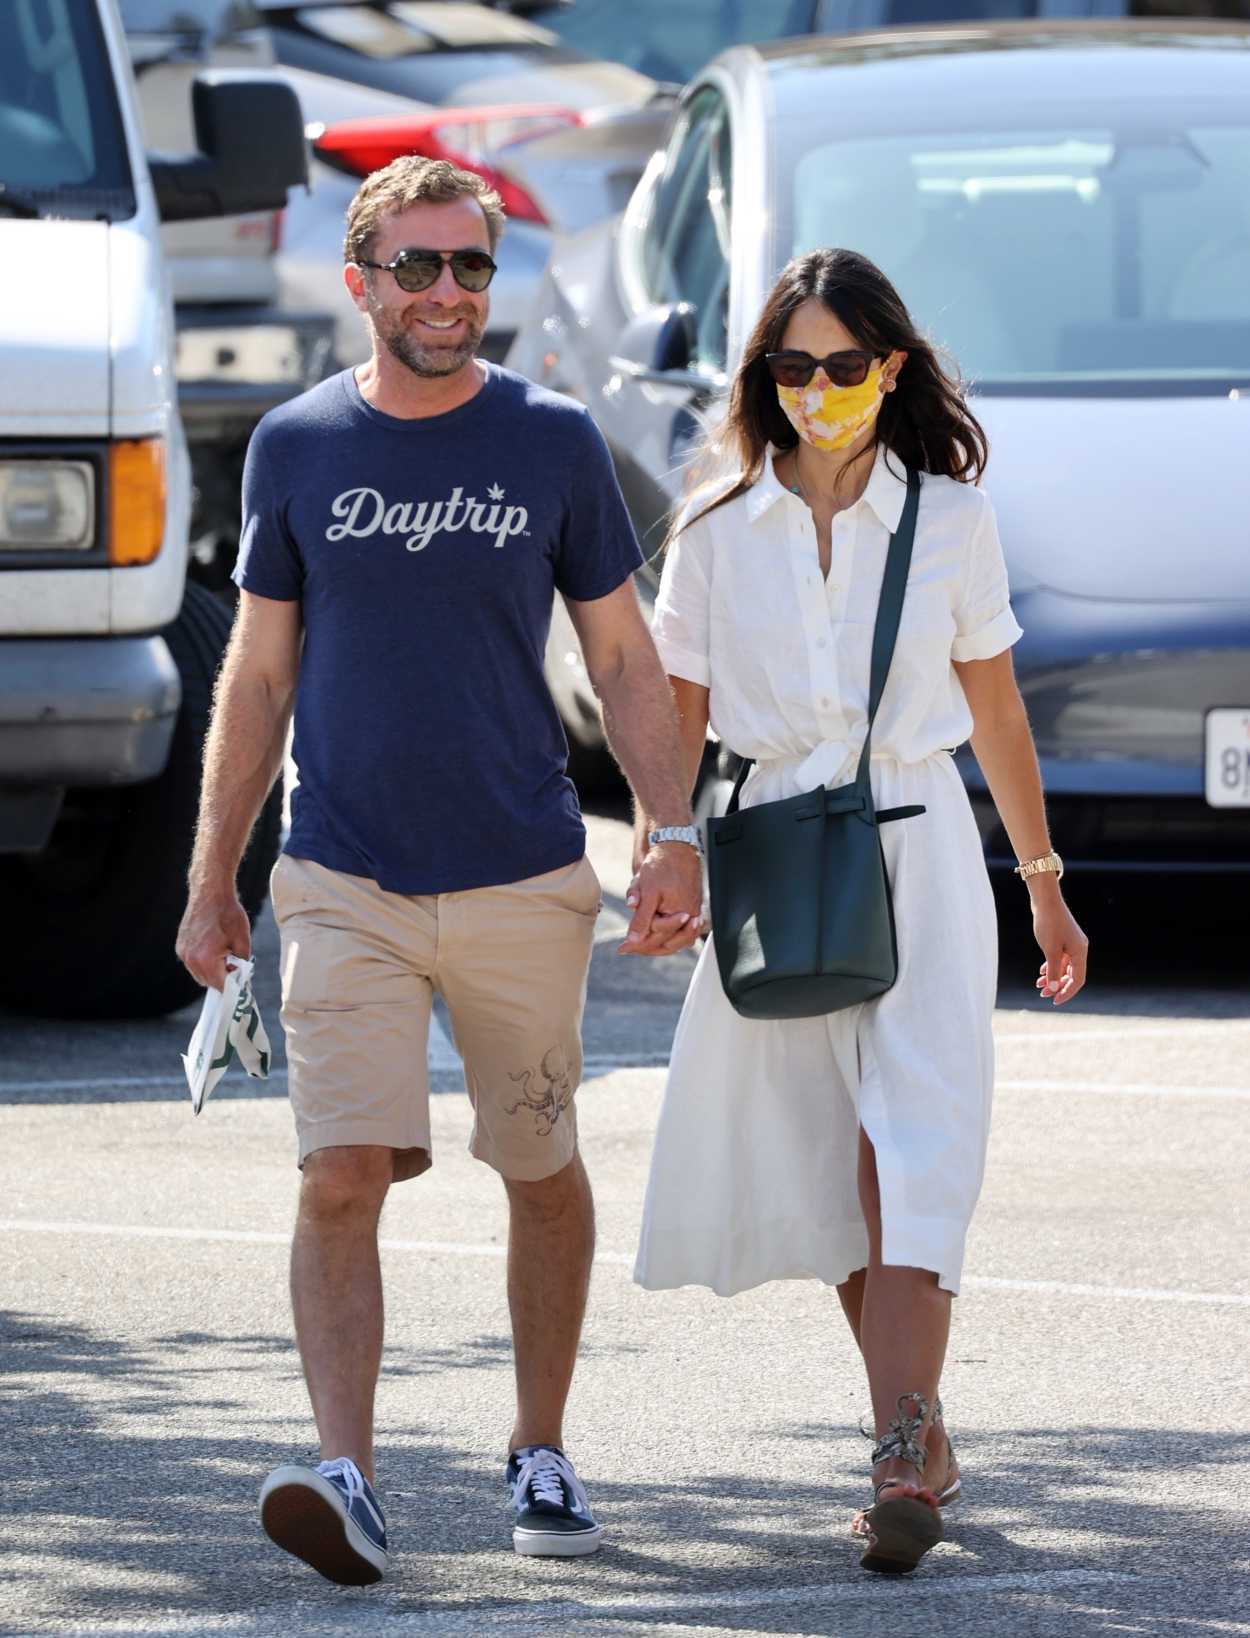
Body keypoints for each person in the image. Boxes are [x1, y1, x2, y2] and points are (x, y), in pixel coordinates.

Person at [175, 156, 703, 1586]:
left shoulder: (551, 441)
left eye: (470, 267)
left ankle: (539, 1445)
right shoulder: (294, 445)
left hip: (523, 874)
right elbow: (259, 670)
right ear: (361, 283)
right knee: (341, 1170)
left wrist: (672, 829)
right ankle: (345, 1474)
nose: (449, 294)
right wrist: (212, 873)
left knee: (538, 1161)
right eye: (418, 268)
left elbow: (619, 652)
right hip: (339, 869)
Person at [632, 248, 1089, 1574]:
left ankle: (899, 1440)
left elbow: (993, 710)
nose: (817, 390)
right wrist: (667, 856)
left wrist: (1044, 884)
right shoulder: (715, 528)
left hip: (920, 851)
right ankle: (915, 1431)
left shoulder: (950, 519)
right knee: (830, 1157)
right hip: (771, 852)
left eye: (842, 365)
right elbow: (677, 719)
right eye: (791, 367)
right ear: (762, 380)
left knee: (914, 1141)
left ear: (889, 369)